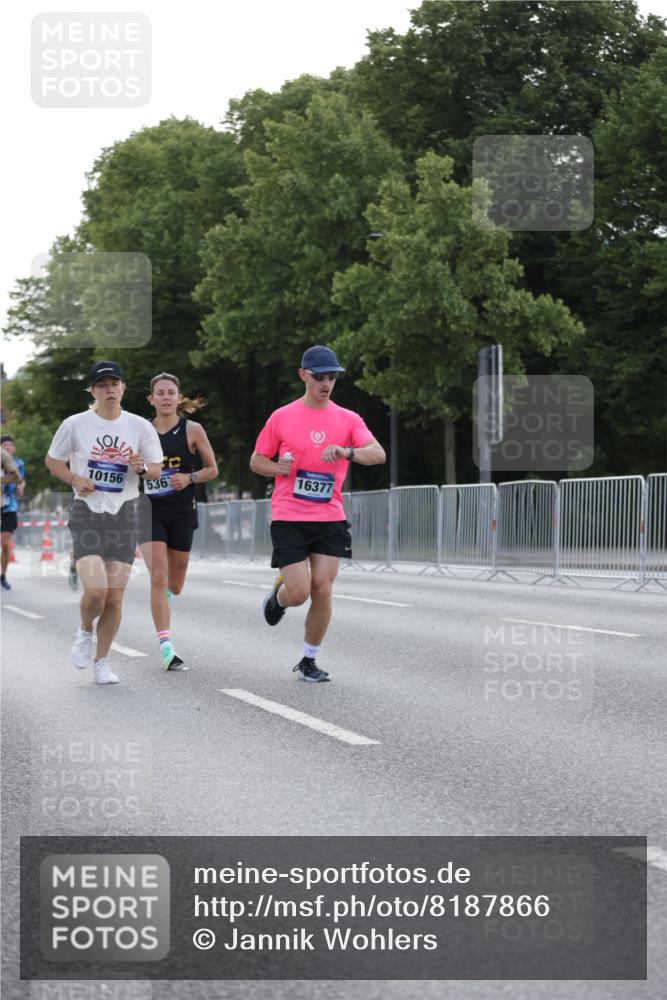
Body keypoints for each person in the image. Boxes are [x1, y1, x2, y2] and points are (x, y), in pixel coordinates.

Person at [250, 345, 386, 682]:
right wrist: (276, 467)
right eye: (319, 377)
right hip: (289, 514)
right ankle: (280, 598)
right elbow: (256, 460)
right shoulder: (282, 417)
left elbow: (378, 454)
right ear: (303, 376)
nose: (326, 383)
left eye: (332, 377)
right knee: (299, 592)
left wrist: (347, 451)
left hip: (329, 516)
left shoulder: (348, 419)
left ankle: (308, 660)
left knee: (322, 588)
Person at [45, 361, 163, 684]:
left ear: (123, 388)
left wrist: (141, 468)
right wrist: (73, 477)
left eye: (114, 384)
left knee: (114, 596)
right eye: (102, 385)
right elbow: (52, 460)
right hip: (88, 513)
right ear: (93, 391)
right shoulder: (75, 424)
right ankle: (85, 631)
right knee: (96, 592)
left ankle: (102, 662)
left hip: (126, 514)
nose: (109, 390)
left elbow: (156, 469)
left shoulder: (139, 427)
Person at [139, 372, 218, 671]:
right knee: (157, 577)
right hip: (149, 510)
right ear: (152, 399)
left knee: (175, 583)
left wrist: (190, 477)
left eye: (171, 392)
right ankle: (166, 646)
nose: (165, 397)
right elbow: (131, 466)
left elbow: (213, 470)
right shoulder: (141, 431)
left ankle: (165, 597)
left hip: (182, 511)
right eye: (160, 393)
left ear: (178, 396)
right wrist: (137, 467)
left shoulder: (192, 430)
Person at [1, 435, 26, 591]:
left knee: (4, 541)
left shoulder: (18, 463)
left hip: (9, 505)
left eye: (10, 445)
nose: (8, 447)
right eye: (5, 444)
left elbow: (21, 479)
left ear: (14, 448)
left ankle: (3, 575)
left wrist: (21, 486)